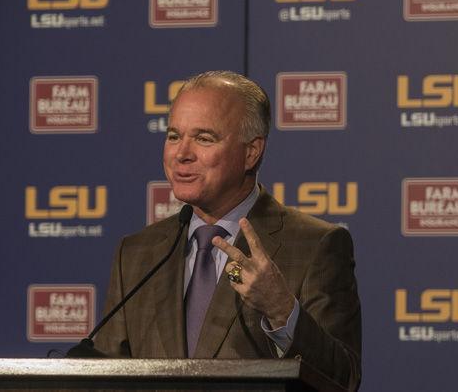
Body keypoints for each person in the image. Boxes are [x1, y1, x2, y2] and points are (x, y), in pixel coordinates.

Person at [94, 71, 361, 391]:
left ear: (251, 152)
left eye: (204, 138)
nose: (181, 154)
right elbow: (105, 375)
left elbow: (343, 379)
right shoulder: (137, 253)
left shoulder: (315, 246)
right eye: (174, 135)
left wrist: (281, 310)